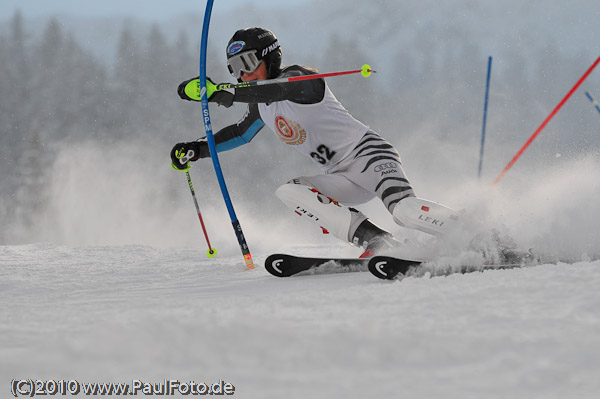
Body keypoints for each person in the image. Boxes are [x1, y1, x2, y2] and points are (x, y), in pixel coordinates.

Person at [171, 27, 460, 258]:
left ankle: (475, 231)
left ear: (269, 58)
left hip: (370, 156)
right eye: (234, 68)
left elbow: (281, 89)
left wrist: (225, 93)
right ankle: (378, 241)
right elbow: (240, 133)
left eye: (247, 63)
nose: (242, 75)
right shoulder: (261, 106)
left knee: (404, 211)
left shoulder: (301, 79)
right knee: (290, 191)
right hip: (342, 176)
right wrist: (196, 149)